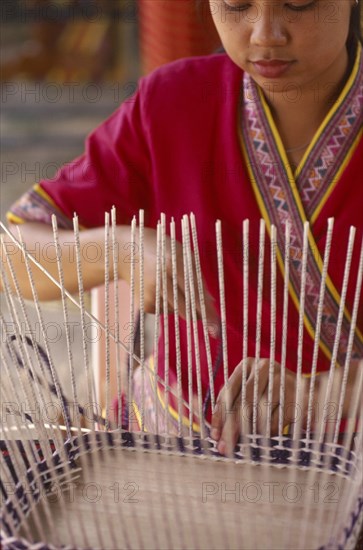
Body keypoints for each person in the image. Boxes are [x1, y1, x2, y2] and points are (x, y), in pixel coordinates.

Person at [3, 0, 362, 455]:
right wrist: (119, 249)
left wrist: (319, 395)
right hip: (177, 440)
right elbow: (14, 253)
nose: (265, 33)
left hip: (348, 457)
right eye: (236, 4)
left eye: (298, 3)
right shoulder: (173, 102)